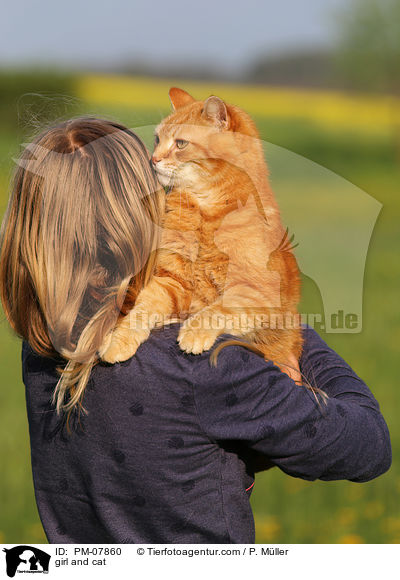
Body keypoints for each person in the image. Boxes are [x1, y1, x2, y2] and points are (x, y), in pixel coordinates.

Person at [0, 117, 391, 544]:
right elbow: (368, 445)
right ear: (142, 217)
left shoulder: (47, 345)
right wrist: (281, 309)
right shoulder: (205, 365)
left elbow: (166, 448)